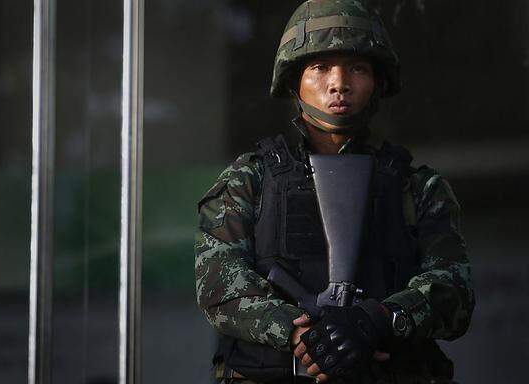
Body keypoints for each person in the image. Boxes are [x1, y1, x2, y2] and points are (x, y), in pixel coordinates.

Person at [194, 1, 475, 383]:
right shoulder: (249, 179)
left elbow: (454, 290)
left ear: (377, 81)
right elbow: (217, 285)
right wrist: (298, 333)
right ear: (295, 81)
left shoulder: (418, 188)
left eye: (357, 68)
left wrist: (376, 320)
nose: (338, 83)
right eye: (320, 67)